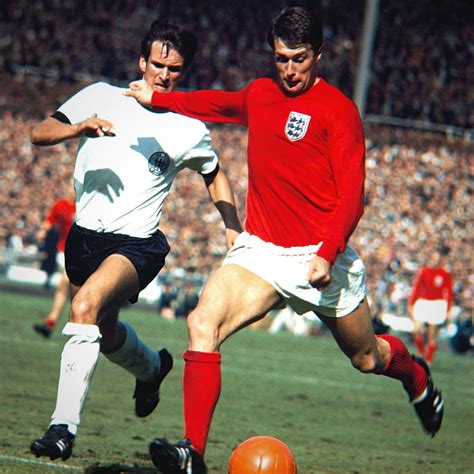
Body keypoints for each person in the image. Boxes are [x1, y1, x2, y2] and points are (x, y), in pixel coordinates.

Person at [126, 7, 445, 473]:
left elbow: (352, 198)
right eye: (281, 59)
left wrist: (327, 253)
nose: (290, 70)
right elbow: (218, 105)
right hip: (262, 252)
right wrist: (158, 98)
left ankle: (415, 377)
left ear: (318, 55)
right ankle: (192, 453)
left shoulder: (339, 111)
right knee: (202, 322)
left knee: (367, 357)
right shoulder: (261, 94)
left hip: (320, 258)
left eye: (299, 59)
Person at [30, 18, 241, 462]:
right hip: (84, 238)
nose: (164, 75)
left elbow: (215, 174)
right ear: (142, 61)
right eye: (158, 65)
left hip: (136, 245)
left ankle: (62, 429)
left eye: (174, 69)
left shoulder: (188, 128)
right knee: (102, 330)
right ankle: (152, 368)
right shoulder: (99, 95)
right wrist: (77, 127)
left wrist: (231, 227)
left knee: (84, 308)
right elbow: (39, 133)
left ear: (183, 72)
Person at [33, 191, 76, 338]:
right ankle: (52, 322)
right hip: (63, 251)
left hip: (82, 252)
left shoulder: (86, 204)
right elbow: (50, 220)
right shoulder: (61, 205)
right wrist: (43, 231)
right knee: (65, 283)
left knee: (65, 283)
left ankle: (53, 322)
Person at [408, 248, 453, 365]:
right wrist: (411, 303)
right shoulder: (424, 271)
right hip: (424, 302)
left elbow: (449, 292)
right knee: (416, 329)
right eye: (433, 258)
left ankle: (428, 359)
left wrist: (448, 309)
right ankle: (420, 353)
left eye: (437, 259)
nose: (434, 261)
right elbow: (417, 288)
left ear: (440, 260)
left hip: (437, 304)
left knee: (431, 333)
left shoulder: (445, 273)